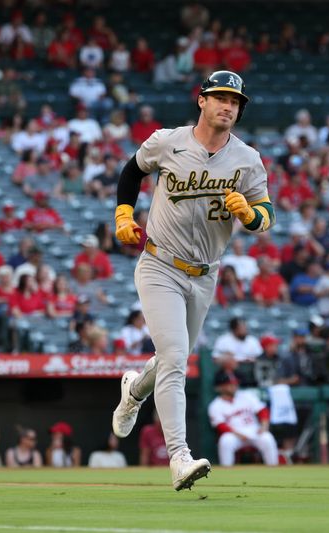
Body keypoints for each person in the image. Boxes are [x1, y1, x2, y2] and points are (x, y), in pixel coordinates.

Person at [111, 70, 274, 490]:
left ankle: (134, 391)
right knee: (177, 361)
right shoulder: (169, 141)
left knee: (170, 359)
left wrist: (250, 214)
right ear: (201, 100)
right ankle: (179, 457)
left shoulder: (247, 159)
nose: (228, 106)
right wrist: (124, 215)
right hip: (160, 264)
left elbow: (267, 216)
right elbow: (131, 173)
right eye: (220, 97)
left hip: (205, 274)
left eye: (235, 101)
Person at [207, 370, 279, 467]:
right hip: (234, 435)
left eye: (235, 383)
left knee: (267, 438)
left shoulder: (246, 395)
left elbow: (262, 411)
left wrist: (264, 426)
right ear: (220, 387)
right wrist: (239, 434)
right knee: (225, 440)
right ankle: (226, 470)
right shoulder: (215, 405)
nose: (234, 386)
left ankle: (273, 468)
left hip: (254, 430)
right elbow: (221, 426)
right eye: (230, 384)